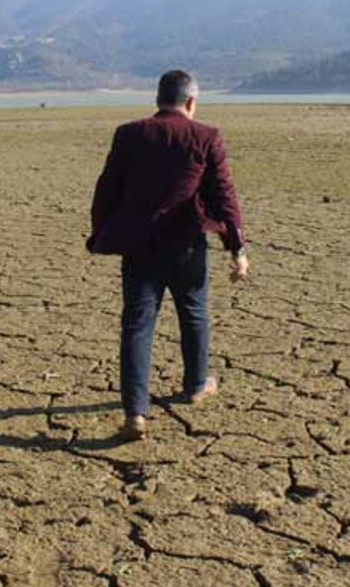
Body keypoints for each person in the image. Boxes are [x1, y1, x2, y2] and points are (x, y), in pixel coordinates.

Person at [87, 70, 249, 441]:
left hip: (139, 247)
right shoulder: (206, 136)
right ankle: (195, 385)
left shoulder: (130, 134)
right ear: (191, 102)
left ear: (158, 98)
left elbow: (106, 189)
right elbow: (225, 196)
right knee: (193, 314)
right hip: (187, 246)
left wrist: (102, 235)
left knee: (137, 325)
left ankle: (135, 413)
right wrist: (236, 248)